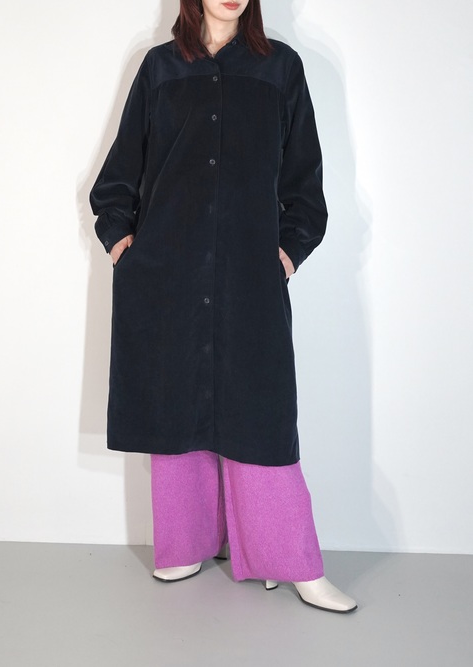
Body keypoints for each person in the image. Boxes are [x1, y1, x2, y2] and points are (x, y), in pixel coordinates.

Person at [90, 0, 357, 613]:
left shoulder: (280, 68)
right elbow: (119, 175)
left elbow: (305, 185)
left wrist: (285, 254)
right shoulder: (160, 68)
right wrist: (122, 243)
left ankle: (290, 559)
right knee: (174, 400)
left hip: (249, 274)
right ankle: (185, 541)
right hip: (167, 272)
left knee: (260, 414)